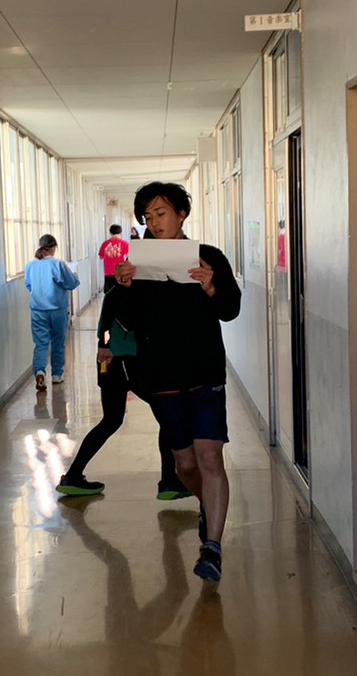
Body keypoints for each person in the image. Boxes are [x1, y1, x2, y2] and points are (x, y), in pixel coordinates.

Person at [112, 182, 241, 585]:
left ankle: (212, 547)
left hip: (205, 373)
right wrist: (124, 288)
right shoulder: (139, 264)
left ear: (182, 214)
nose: (154, 222)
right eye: (148, 216)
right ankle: (207, 505)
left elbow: (231, 310)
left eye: (161, 213)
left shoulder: (209, 257)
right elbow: (128, 321)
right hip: (162, 377)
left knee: (210, 457)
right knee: (185, 465)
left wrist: (211, 286)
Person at [55, 288, 189, 500]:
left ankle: (73, 475)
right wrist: (108, 345)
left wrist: (104, 345)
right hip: (128, 361)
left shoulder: (114, 293)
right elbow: (128, 327)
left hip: (110, 363)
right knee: (167, 414)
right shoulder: (134, 293)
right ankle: (169, 481)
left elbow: (104, 328)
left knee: (111, 420)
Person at [24, 234, 79, 392]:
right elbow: (71, 284)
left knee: (41, 344)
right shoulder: (58, 264)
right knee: (58, 343)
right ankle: (57, 374)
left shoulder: (30, 266)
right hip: (57, 309)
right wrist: (74, 276)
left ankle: (40, 372)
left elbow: (29, 285)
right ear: (54, 248)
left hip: (38, 310)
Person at [97, 224, 130, 294]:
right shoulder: (125, 244)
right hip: (120, 272)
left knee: (109, 293)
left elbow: (100, 257)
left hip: (108, 272)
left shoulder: (105, 244)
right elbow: (129, 256)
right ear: (121, 232)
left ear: (110, 232)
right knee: (121, 292)